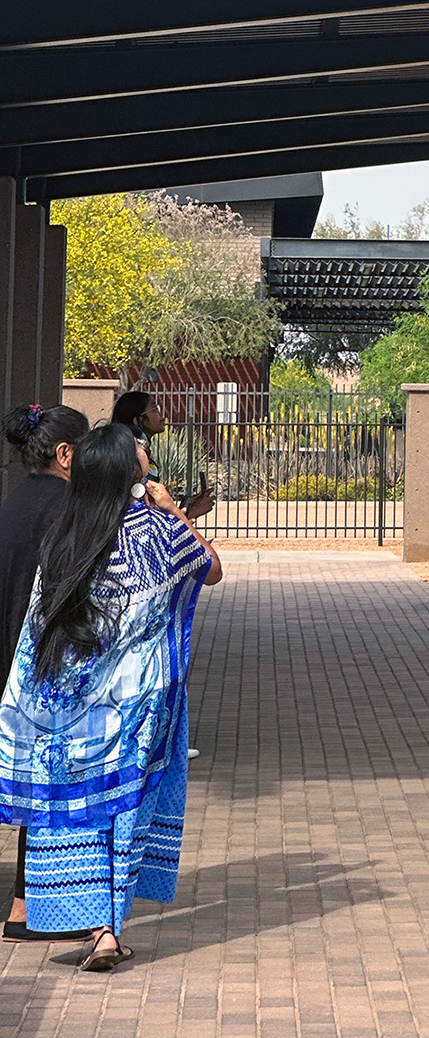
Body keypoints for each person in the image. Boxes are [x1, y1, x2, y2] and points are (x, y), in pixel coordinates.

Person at [0, 422, 222, 971]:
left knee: (84, 811)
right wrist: (173, 511)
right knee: (126, 807)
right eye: (139, 448)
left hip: (69, 705)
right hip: (137, 704)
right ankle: (107, 931)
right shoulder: (154, 530)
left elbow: (39, 623)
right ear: (127, 470)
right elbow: (211, 570)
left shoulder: (63, 532)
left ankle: (82, 917)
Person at [0, 403, 91, 944]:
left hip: (8, 662)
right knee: (51, 789)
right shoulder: (67, 510)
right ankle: (31, 909)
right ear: (64, 455)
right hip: (42, 667)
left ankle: (21, 906)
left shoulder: (13, 505)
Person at [111, 392, 216, 522]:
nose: (162, 416)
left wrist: (184, 510)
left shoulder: (145, 453)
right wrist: (186, 515)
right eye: (155, 409)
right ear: (138, 420)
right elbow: (143, 513)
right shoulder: (130, 457)